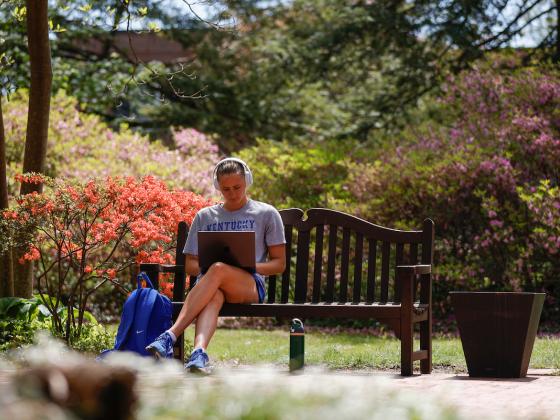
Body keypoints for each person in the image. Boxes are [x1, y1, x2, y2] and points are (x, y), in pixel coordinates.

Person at [145, 157, 286, 372]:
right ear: (217, 187)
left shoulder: (266, 214)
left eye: (237, 187)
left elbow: (279, 264)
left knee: (218, 269)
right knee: (215, 291)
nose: (232, 193)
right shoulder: (205, 216)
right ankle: (198, 354)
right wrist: (212, 268)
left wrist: (246, 265)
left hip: (249, 285)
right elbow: (191, 266)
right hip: (211, 285)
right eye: (226, 189)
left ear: (247, 180)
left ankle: (170, 335)